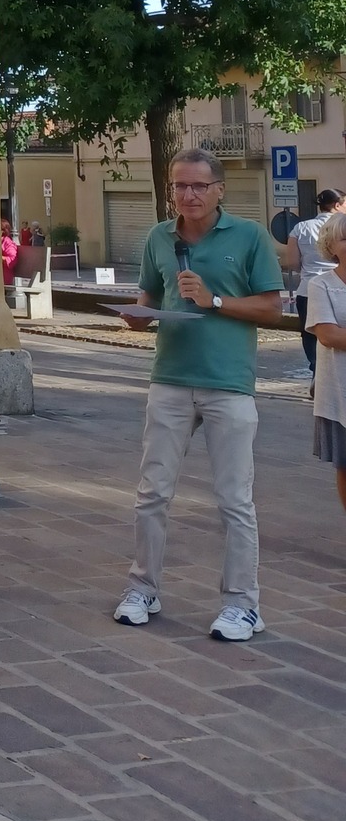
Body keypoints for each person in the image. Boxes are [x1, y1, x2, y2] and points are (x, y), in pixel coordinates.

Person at [113, 148, 283, 642]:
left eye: (198, 187)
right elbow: (150, 296)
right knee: (152, 494)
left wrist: (215, 301)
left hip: (228, 383)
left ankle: (242, 605)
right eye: (179, 186)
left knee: (234, 500)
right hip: (169, 379)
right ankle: (142, 589)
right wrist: (137, 317)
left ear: (219, 190)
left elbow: (273, 310)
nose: (187, 195)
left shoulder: (249, 236)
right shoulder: (157, 237)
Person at [304, 212, 346, 520]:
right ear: (331, 246)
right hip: (340, 393)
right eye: (345, 239)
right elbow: (329, 335)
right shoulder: (321, 286)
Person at [277, 189, 344, 379]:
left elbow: (292, 262)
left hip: (307, 289)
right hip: (339, 287)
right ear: (337, 205)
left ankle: (317, 372)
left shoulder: (300, 228)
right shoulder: (340, 227)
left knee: (310, 334)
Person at [0, 211, 20, 289]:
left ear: (3, 231)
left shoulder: (7, 242)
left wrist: (0, 258)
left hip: (3, 276)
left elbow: (12, 259)